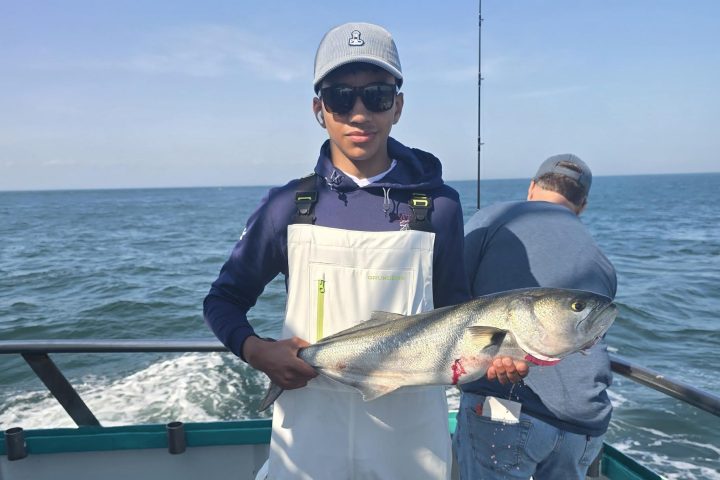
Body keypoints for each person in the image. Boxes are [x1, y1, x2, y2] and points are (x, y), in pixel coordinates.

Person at [203, 22, 515, 479]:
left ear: (398, 106)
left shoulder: (439, 206)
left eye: (377, 95)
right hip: (307, 438)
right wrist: (256, 350)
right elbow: (223, 300)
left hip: (410, 444)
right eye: (340, 97)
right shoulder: (289, 206)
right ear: (319, 109)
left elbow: (456, 314)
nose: (359, 112)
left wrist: (496, 355)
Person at [453, 154, 617, 480]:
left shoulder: (495, 217)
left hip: (507, 409)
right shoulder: (601, 261)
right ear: (582, 204)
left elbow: (449, 294)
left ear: (531, 188)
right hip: (585, 423)